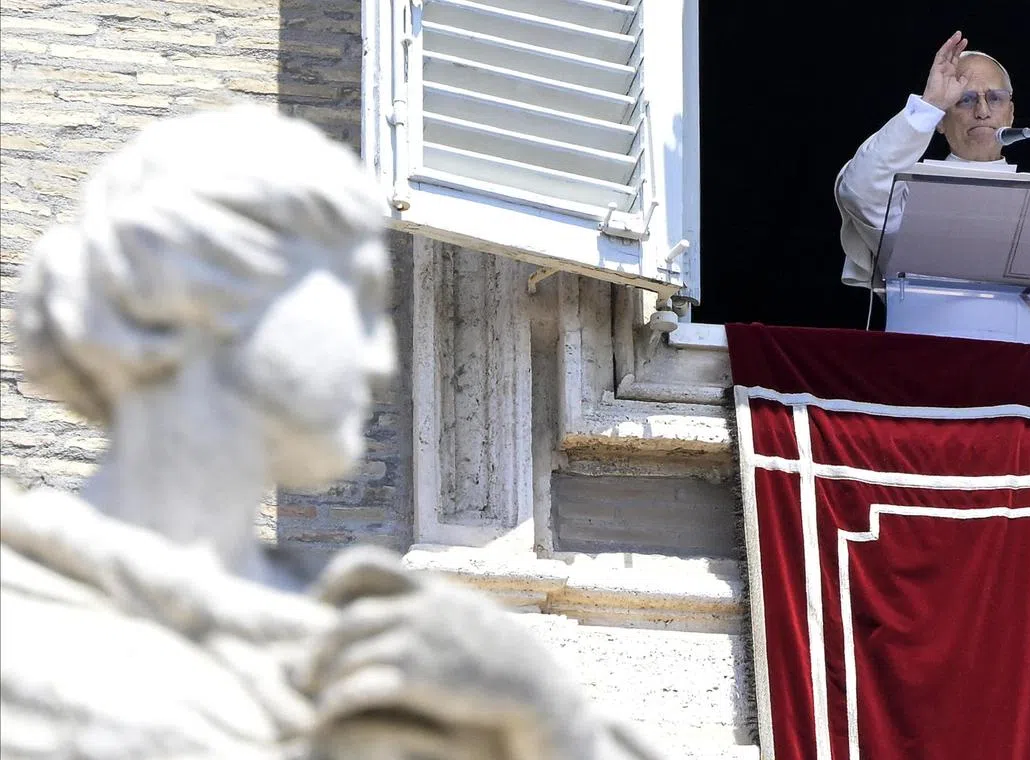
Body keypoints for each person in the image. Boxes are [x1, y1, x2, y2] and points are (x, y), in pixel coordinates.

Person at [0, 105, 667, 760]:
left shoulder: (413, 656)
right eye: (360, 300)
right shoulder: (24, 622)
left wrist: (547, 720)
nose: (381, 360)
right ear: (184, 289)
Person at [834, 30, 1030, 342]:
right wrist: (928, 105)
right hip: (924, 369)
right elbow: (859, 188)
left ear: (1011, 114)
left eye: (995, 98)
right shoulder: (909, 193)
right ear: (940, 121)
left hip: (1028, 377)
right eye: (965, 100)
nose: (983, 111)